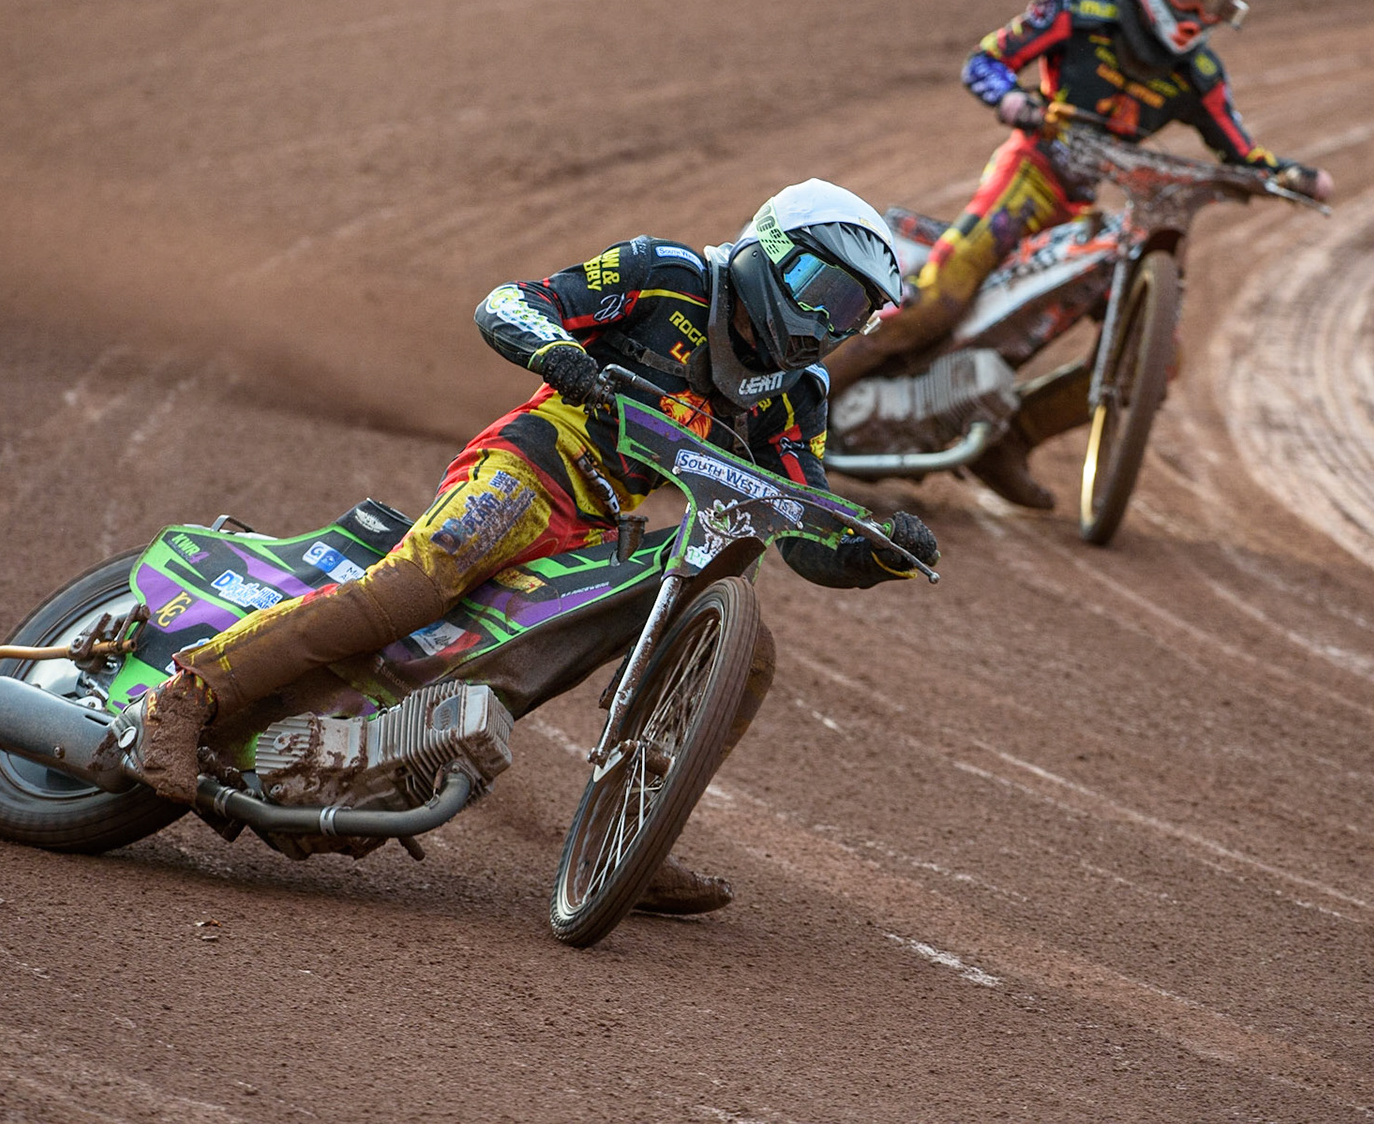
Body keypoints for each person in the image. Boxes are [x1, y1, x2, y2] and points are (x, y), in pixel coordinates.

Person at [133, 179, 940, 914]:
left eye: (855, 313)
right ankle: (188, 696)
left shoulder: (798, 395)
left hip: (603, 528)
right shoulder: (664, 274)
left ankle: (638, 824)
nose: (832, 325)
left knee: (747, 652)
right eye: (826, 293)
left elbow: (804, 525)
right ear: (772, 254)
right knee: (413, 589)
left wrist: (874, 552)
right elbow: (511, 303)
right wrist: (560, 353)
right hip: (529, 467)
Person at [825, 0, 1335, 509]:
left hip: (1085, 207)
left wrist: (1290, 175)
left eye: (1216, 3)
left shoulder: (1199, 75)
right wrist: (1012, 99)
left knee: (1160, 357)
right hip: (1028, 173)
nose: (1197, 12)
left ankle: (1009, 442)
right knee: (935, 303)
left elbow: (1241, 150)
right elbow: (985, 61)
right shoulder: (1078, 9)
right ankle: (781, 408)